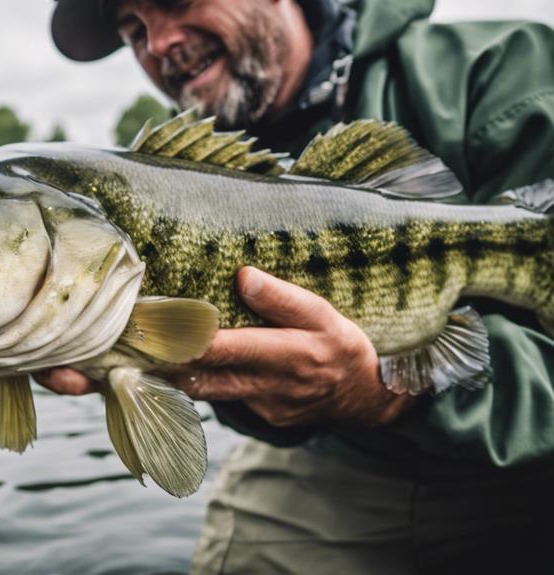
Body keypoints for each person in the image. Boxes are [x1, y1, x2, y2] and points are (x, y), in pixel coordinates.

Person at [43, 0, 554, 572]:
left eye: (176, 3)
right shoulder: (199, 166)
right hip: (339, 457)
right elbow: (252, 393)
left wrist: (384, 396)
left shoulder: (504, 72)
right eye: (132, 29)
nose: (158, 44)